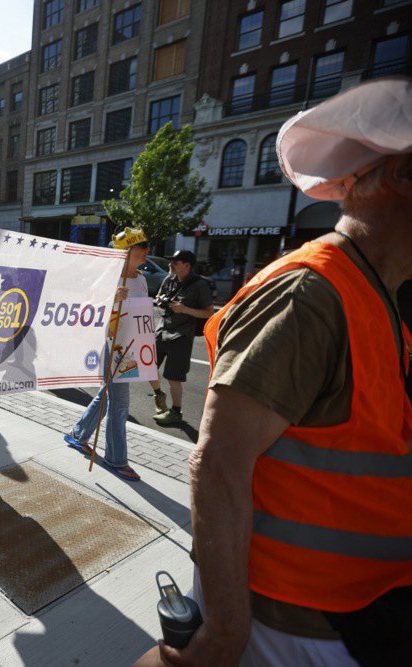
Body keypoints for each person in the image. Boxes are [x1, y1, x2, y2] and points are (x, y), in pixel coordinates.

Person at [138, 78, 412, 667]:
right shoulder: (309, 293)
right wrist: (223, 631)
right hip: (289, 624)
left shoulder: (378, 298)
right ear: (402, 175)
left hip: (359, 616)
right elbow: (217, 463)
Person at [63, 228, 150, 481]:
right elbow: (87, 311)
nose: (147, 250)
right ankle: (116, 458)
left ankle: (79, 434)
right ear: (126, 252)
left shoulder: (141, 279)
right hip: (111, 346)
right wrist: (111, 298)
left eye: (146, 246)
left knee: (107, 395)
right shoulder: (109, 278)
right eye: (141, 246)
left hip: (130, 346)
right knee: (120, 403)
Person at [149, 250, 214, 426]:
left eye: (176, 262)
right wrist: (161, 300)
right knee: (148, 367)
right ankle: (159, 395)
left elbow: (209, 313)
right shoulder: (169, 279)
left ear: (187, 265)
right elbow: (158, 297)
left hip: (181, 335)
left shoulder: (199, 285)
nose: (171, 264)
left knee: (173, 377)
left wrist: (185, 309)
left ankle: (176, 412)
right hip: (162, 330)